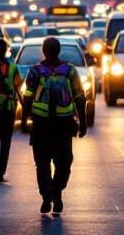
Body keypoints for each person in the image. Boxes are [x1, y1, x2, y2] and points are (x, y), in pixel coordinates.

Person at [20, 37, 87, 216]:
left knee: (42, 164)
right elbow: (80, 98)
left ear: (44, 51)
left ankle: (48, 195)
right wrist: (83, 123)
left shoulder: (35, 71)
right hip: (63, 124)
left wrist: (25, 119)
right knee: (64, 162)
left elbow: (27, 97)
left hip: (41, 124)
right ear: (59, 51)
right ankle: (55, 192)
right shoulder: (70, 71)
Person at [0, 38, 22, 183]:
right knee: (5, 141)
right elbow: (18, 85)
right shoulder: (12, 67)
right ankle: (0, 172)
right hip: (7, 108)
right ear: (7, 50)